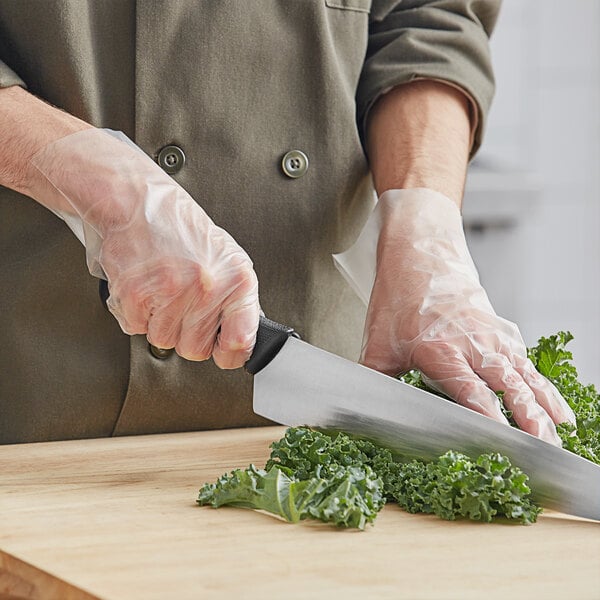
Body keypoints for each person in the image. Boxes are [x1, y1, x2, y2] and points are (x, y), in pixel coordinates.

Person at [0, 0, 574, 445]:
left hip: (313, 396)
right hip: (30, 377)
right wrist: (98, 182)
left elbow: (431, 20)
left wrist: (425, 225)